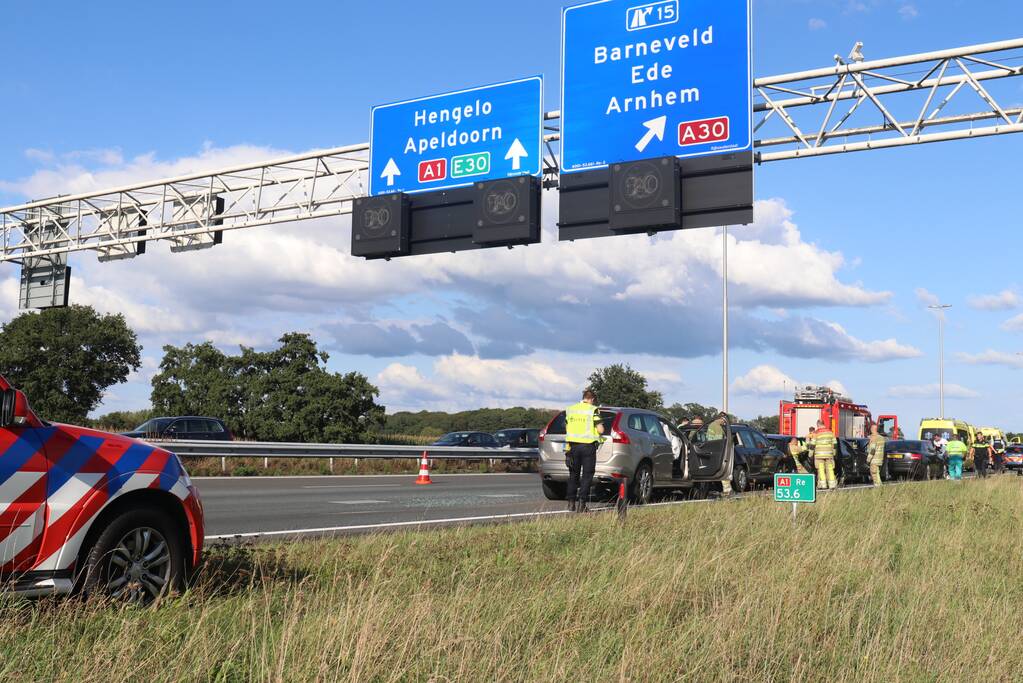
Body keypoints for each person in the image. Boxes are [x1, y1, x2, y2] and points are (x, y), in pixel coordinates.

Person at [564, 389, 604, 512]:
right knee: (587, 475)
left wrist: (567, 450)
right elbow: (600, 429)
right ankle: (582, 504)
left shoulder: (571, 409)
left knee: (573, 475)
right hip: (588, 447)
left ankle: (571, 503)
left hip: (573, 447)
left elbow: (567, 428)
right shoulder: (593, 410)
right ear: (592, 399)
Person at [812, 420, 838, 490]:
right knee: (830, 469)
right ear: (824, 424)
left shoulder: (816, 433)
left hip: (819, 455)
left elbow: (812, 444)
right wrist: (834, 453)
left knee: (821, 469)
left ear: (818, 425)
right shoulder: (830, 432)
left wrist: (810, 454)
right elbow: (835, 444)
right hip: (829, 454)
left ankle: (823, 486)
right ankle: (832, 485)